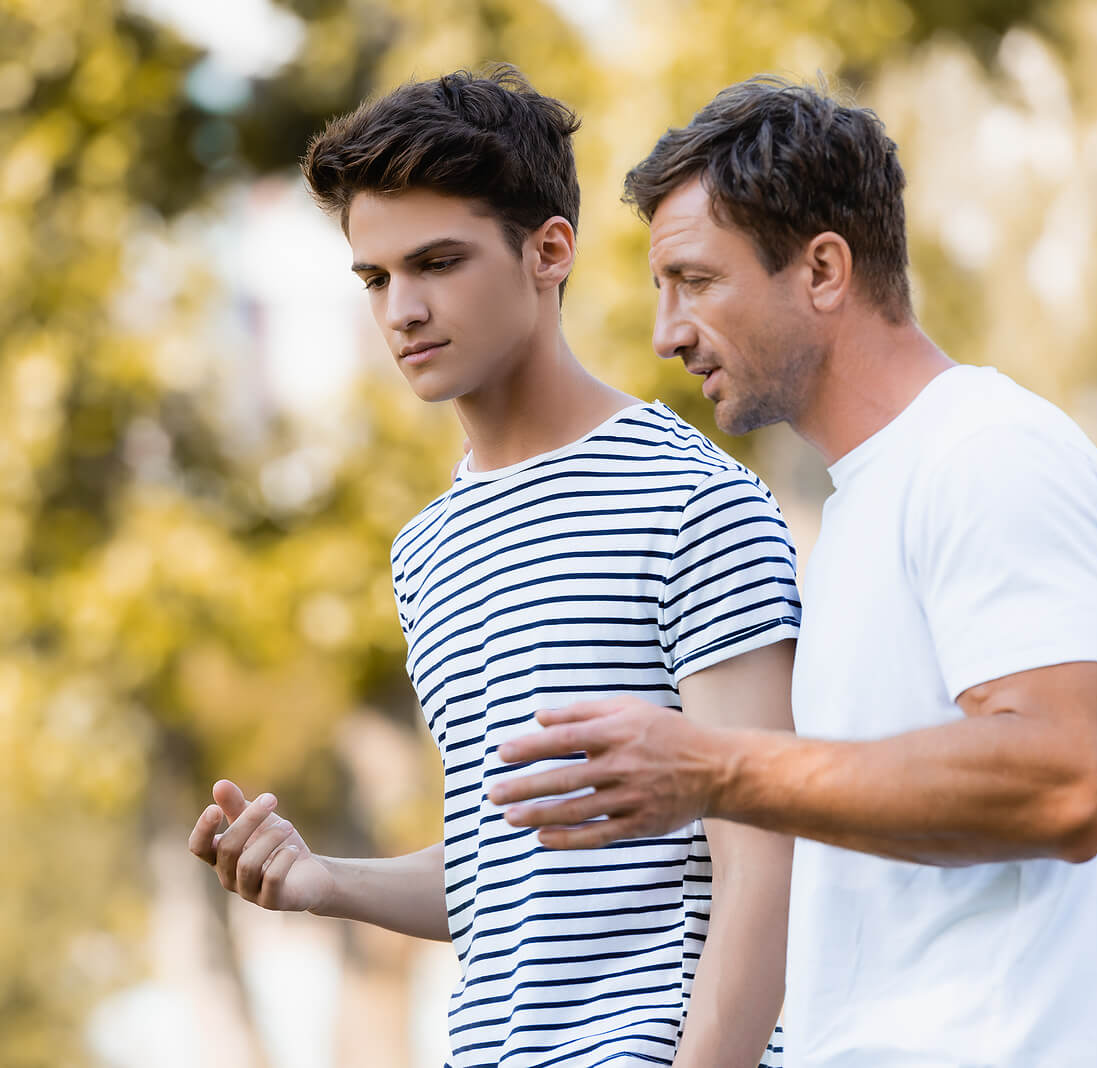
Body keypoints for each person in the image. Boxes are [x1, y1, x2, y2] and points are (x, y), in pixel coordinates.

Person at [490, 76, 1097, 1066]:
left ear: (820, 270)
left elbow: (1062, 777)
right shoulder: (860, 511)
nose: (666, 333)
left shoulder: (988, 452)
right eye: (659, 290)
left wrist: (714, 767)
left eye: (696, 281)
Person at [187, 67, 799, 1068]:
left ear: (548, 252)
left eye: (438, 262)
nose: (402, 311)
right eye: (377, 278)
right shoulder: (427, 549)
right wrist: (323, 880)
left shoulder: (691, 499)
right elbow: (502, 876)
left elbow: (765, 860)